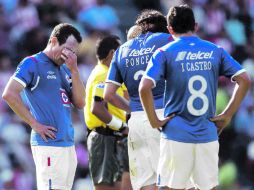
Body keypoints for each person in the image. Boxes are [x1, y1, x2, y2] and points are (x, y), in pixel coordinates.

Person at [139, 4, 251, 190]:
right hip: (207, 133)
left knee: (169, 187)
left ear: (170, 29)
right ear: (196, 26)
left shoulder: (164, 53)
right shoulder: (215, 50)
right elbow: (245, 79)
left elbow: (144, 87)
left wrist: (154, 121)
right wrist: (227, 114)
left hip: (175, 133)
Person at [2, 23, 85, 190]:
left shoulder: (66, 69)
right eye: (67, 49)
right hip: (49, 144)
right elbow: (9, 94)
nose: (70, 55)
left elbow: (81, 102)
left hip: (67, 143)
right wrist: (34, 124)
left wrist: (75, 71)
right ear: (54, 41)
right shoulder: (32, 63)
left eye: (73, 52)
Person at [104, 10, 174, 190]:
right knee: (169, 179)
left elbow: (109, 94)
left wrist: (132, 109)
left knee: (146, 183)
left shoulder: (121, 50)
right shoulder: (166, 41)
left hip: (136, 122)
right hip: (163, 117)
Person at [84, 35, 131, 190]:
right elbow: (97, 108)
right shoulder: (104, 74)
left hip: (112, 137)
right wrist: (123, 127)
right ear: (112, 53)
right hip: (105, 137)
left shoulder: (105, 72)